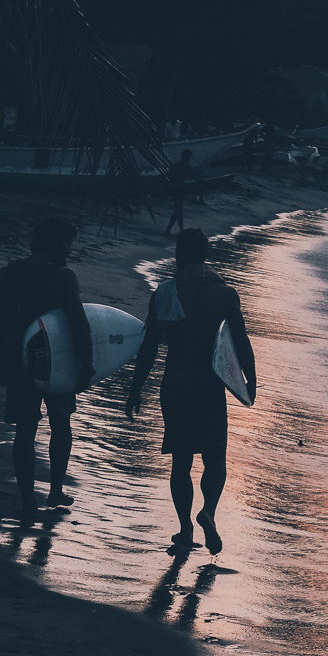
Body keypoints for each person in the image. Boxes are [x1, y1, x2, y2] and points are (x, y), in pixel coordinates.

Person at [126, 229, 257, 556]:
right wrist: (250, 380)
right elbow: (240, 342)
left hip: (176, 385)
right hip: (209, 387)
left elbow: (149, 347)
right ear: (205, 256)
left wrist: (135, 388)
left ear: (178, 256)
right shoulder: (224, 294)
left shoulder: (166, 294)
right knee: (215, 460)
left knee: (181, 462)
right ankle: (208, 512)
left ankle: (185, 528)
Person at [0, 218, 92, 522]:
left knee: (25, 432)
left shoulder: (8, 274)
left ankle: (28, 502)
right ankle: (54, 491)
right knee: (61, 424)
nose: (69, 250)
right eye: (66, 243)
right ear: (55, 244)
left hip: (19, 364)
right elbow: (79, 326)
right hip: (57, 363)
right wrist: (87, 365)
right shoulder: (64, 278)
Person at [165, 148, 194, 236]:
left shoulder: (175, 164)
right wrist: (201, 180)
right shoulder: (186, 165)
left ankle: (171, 229)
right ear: (188, 157)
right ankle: (180, 229)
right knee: (179, 210)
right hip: (180, 188)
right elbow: (192, 175)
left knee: (177, 210)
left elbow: (168, 175)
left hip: (173, 188)